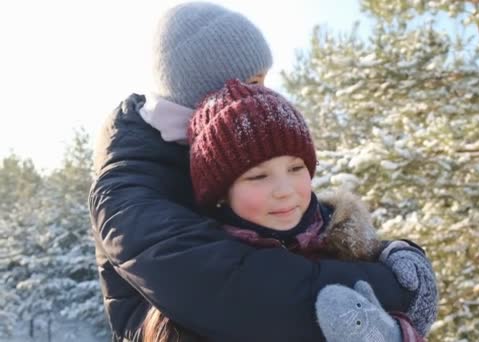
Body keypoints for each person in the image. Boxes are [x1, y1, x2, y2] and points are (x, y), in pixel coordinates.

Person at [89, 2, 436, 341]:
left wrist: (386, 252)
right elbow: (234, 289)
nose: (265, 92)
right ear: (204, 88)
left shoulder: (201, 149)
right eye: (255, 80)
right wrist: (393, 287)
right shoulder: (127, 186)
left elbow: (292, 241)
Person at [140, 79, 435, 342]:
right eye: (258, 176)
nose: (285, 190)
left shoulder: (355, 250)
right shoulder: (202, 289)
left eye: (296, 168)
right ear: (222, 195)